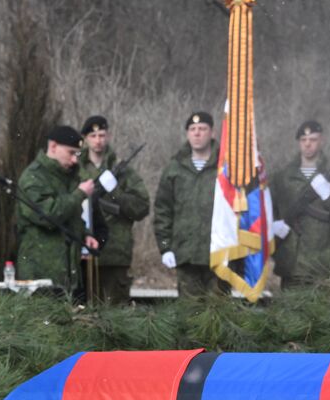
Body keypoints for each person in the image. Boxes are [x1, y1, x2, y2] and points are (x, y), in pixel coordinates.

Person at [269, 120, 330, 289]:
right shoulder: (282, 177)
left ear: (321, 141)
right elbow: (266, 208)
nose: (308, 144)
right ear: (299, 142)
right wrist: (272, 225)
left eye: (313, 139)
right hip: (292, 265)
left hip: (325, 267)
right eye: (304, 140)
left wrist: (328, 197)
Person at [15, 126, 100, 292]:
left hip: (67, 274)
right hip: (39, 274)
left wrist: (85, 234)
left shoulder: (67, 176)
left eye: (77, 154)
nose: (75, 160)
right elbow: (48, 215)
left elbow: (71, 216)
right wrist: (80, 194)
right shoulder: (33, 178)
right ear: (53, 147)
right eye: (71, 152)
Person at [79, 115, 150, 303]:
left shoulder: (123, 171)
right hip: (82, 252)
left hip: (115, 253)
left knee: (116, 311)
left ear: (108, 136)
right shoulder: (76, 168)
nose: (98, 140)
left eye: (102, 135)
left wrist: (115, 192)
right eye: (93, 135)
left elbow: (142, 207)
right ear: (85, 139)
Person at [154, 111, 225, 296]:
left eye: (202, 129)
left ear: (213, 133)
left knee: (220, 315)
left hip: (220, 254)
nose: (197, 133)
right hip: (186, 255)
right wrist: (165, 247)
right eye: (192, 129)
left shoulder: (226, 167)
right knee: (189, 315)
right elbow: (163, 210)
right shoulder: (174, 168)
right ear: (187, 134)